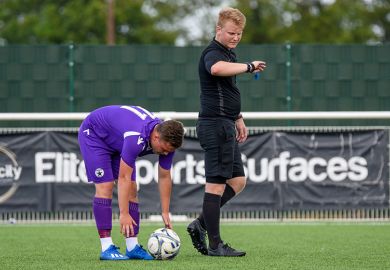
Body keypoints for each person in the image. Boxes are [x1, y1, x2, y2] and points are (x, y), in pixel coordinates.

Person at [187, 7, 266, 257]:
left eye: (239, 33)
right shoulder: (213, 53)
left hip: (226, 124)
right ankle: (215, 245)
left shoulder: (229, 54)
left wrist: (238, 118)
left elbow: (227, 90)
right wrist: (249, 66)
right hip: (215, 126)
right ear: (218, 29)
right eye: (231, 32)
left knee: (237, 182)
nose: (235, 37)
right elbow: (216, 70)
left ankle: (200, 223)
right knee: (215, 187)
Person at [78, 105, 184, 261]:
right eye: (164, 149)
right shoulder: (136, 137)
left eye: (169, 151)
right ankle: (106, 247)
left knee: (133, 190)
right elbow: (123, 178)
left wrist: (165, 211)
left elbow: (164, 176)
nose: (166, 153)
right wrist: (124, 213)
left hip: (117, 140)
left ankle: (132, 246)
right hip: (95, 134)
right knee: (105, 186)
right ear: (155, 138)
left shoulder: (167, 141)